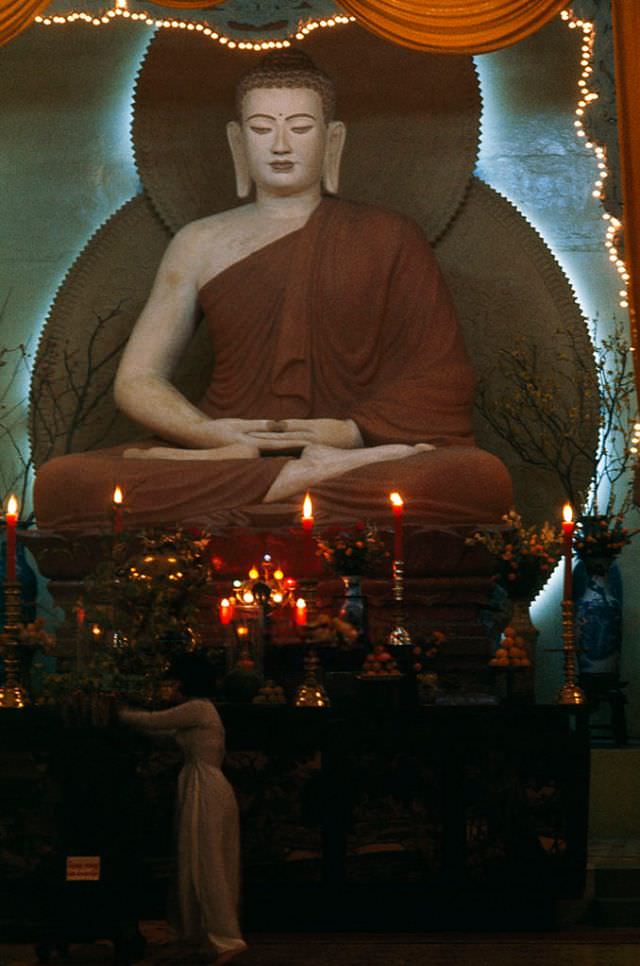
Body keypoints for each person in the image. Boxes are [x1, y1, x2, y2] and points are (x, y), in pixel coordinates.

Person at [34, 49, 512, 532]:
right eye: (262, 129)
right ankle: (296, 481)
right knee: (64, 482)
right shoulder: (198, 242)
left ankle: (291, 482)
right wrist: (207, 434)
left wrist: (350, 433)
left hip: (348, 451)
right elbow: (138, 380)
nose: (281, 144)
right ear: (237, 141)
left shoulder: (390, 236)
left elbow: (442, 378)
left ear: (333, 137)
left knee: (474, 478)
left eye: (300, 128)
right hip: (229, 450)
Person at [118, 652, 247, 965]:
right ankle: (200, 933)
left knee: (207, 861)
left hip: (206, 787)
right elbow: (161, 732)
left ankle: (226, 937)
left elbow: (152, 721)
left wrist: (118, 710)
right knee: (195, 859)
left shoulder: (198, 708)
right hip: (200, 783)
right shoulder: (197, 711)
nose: (171, 687)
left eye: (175, 682)